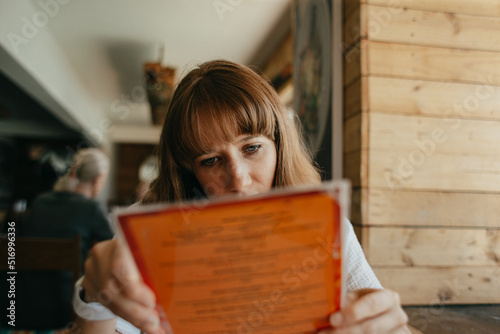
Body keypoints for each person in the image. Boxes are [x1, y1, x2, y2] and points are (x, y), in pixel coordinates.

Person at [73, 60, 410, 334]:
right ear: (191, 172)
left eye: (252, 148)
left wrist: (391, 326)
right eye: (211, 160)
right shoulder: (147, 237)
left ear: (279, 146)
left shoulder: (326, 228)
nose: (238, 178)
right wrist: (92, 297)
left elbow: (381, 317)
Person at [13, 148, 114, 329]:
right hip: (65, 309)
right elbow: (112, 249)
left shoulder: (40, 201)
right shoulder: (91, 208)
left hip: (21, 302)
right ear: (98, 179)